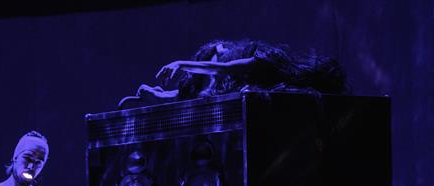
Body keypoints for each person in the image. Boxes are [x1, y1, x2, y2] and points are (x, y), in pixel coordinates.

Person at [119, 39, 349, 109]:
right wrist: (155, 95)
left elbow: (224, 68)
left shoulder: (260, 60)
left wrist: (180, 63)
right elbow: (192, 94)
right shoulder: (224, 86)